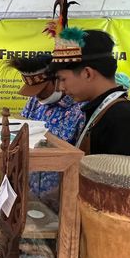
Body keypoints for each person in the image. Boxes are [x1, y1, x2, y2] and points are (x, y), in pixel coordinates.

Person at [51, 29, 130, 158]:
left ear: (87, 73)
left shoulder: (121, 117)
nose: (60, 87)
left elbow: (121, 176)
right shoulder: (105, 110)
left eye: (62, 79)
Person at [7, 54, 85, 199]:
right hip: (29, 192)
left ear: (57, 80)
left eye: (42, 91)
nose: (38, 97)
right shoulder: (34, 102)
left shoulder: (80, 111)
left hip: (61, 197)